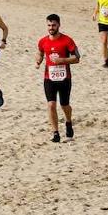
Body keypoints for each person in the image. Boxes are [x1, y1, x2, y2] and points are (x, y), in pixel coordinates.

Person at [36, 14, 79, 143]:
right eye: (49, 25)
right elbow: (40, 52)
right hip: (49, 78)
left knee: (64, 105)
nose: (51, 28)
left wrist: (62, 60)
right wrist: (38, 60)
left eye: (53, 25)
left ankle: (68, 122)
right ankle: (55, 133)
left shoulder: (67, 40)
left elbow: (77, 58)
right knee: (51, 104)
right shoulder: (43, 41)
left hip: (64, 78)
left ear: (59, 25)